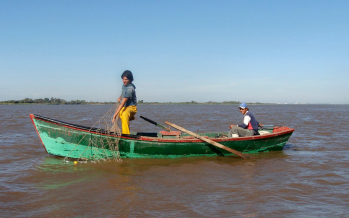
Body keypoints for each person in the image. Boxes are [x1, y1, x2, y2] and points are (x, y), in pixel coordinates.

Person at [112, 70, 137, 134]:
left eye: (126, 79)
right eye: (123, 79)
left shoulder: (130, 88)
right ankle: (130, 117)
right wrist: (120, 98)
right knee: (121, 112)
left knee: (124, 114)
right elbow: (123, 94)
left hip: (132, 107)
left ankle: (126, 134)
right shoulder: (124, 86)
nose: (124, 81)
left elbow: (123, 102)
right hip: (126, 106)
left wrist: (115, 114)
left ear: (130, 80)